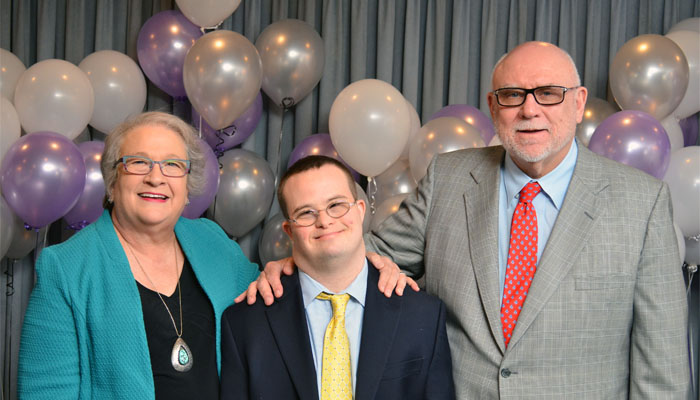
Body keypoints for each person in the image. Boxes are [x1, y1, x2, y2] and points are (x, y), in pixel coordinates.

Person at [251, 42, 690, 398]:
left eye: (548, 93)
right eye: (512, 95)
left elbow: (662, 372)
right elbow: (364, 259)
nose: (529, 110)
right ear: (493, 107)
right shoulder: (449, 178)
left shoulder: (641, 202)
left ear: (578, 104)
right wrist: (293, 266)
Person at [18, 112, 260, 399]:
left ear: (186, 188)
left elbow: (269, 296)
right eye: (138, 162)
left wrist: (288, 265)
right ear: (112, 183)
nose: (155, 178)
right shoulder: (65, 268)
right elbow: (45, 393)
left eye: (172, 164)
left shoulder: (213, 242)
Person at [221, 156, 454, 399]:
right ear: (289, 231)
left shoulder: (423, 315)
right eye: (306, 213)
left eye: (336, 205)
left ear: (360, 210)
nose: (324, 221)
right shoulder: (245, 324)